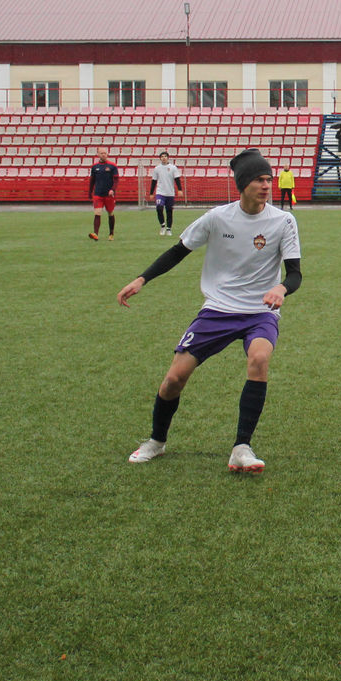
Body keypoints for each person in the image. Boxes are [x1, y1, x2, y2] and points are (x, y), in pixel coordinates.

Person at [119, 149, 302, 474]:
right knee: (174, 379)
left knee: (259, 359)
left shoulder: (283, 220)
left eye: (268, 179)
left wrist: (281, 288)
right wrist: (141, 279)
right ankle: (157, 442)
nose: (266, 185)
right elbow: (178, 251)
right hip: (218, 309)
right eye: (259, 180)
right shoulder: (218, 218)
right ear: (243, 184)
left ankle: (241, 448)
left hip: (260, 311)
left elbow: (295, 274)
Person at [87, 149, 119, 241]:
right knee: (97, 213)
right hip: (98, 194)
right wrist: (90, 192)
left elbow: (116, 180)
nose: (104, 155)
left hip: (109, 195)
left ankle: (111, 233)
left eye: (105, 153)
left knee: (110, 213)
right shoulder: (94, 167)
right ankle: (95, 234)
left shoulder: (112, 166)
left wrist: (112, 190)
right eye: (102, 153)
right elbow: (92, 180)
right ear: (98, 155)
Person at [151, 151, 183, 236]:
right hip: (160, 192)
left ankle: (168, 229)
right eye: (162, 156)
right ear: (160, 158)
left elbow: (177, 179)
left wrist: (180, 189)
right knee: (159, 208)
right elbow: (154, 181)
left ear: (168, 158)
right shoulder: (157, 168)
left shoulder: (173, 168)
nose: (164, 158)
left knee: (169, 211)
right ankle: (162, 225)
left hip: (170, 193)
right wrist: (151, 193)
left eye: (165, 156)